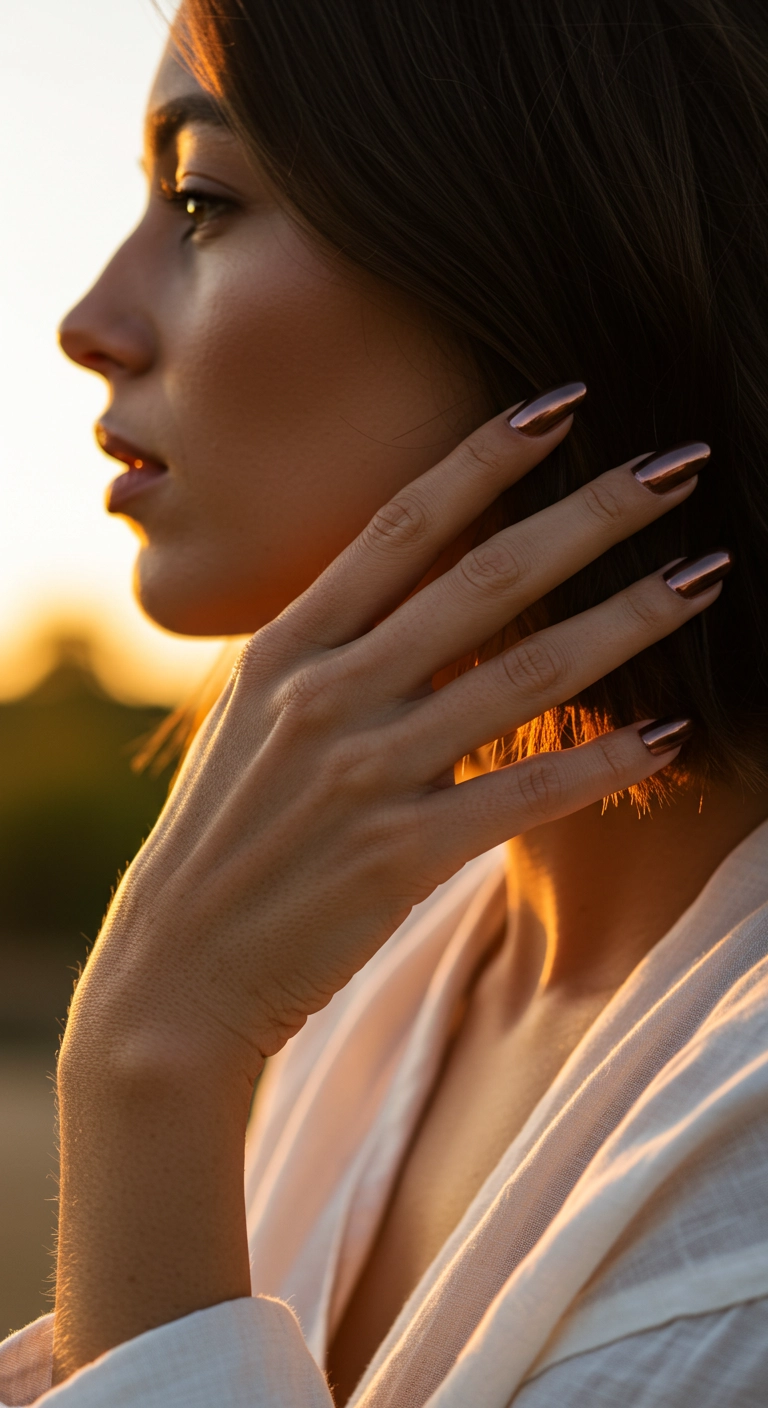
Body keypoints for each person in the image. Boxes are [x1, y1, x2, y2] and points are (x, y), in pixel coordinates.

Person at [3, 1, 768, 1403]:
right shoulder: (383, 966)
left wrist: (149, 1062)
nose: (88, 322)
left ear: (538, 247)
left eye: (200, 200)